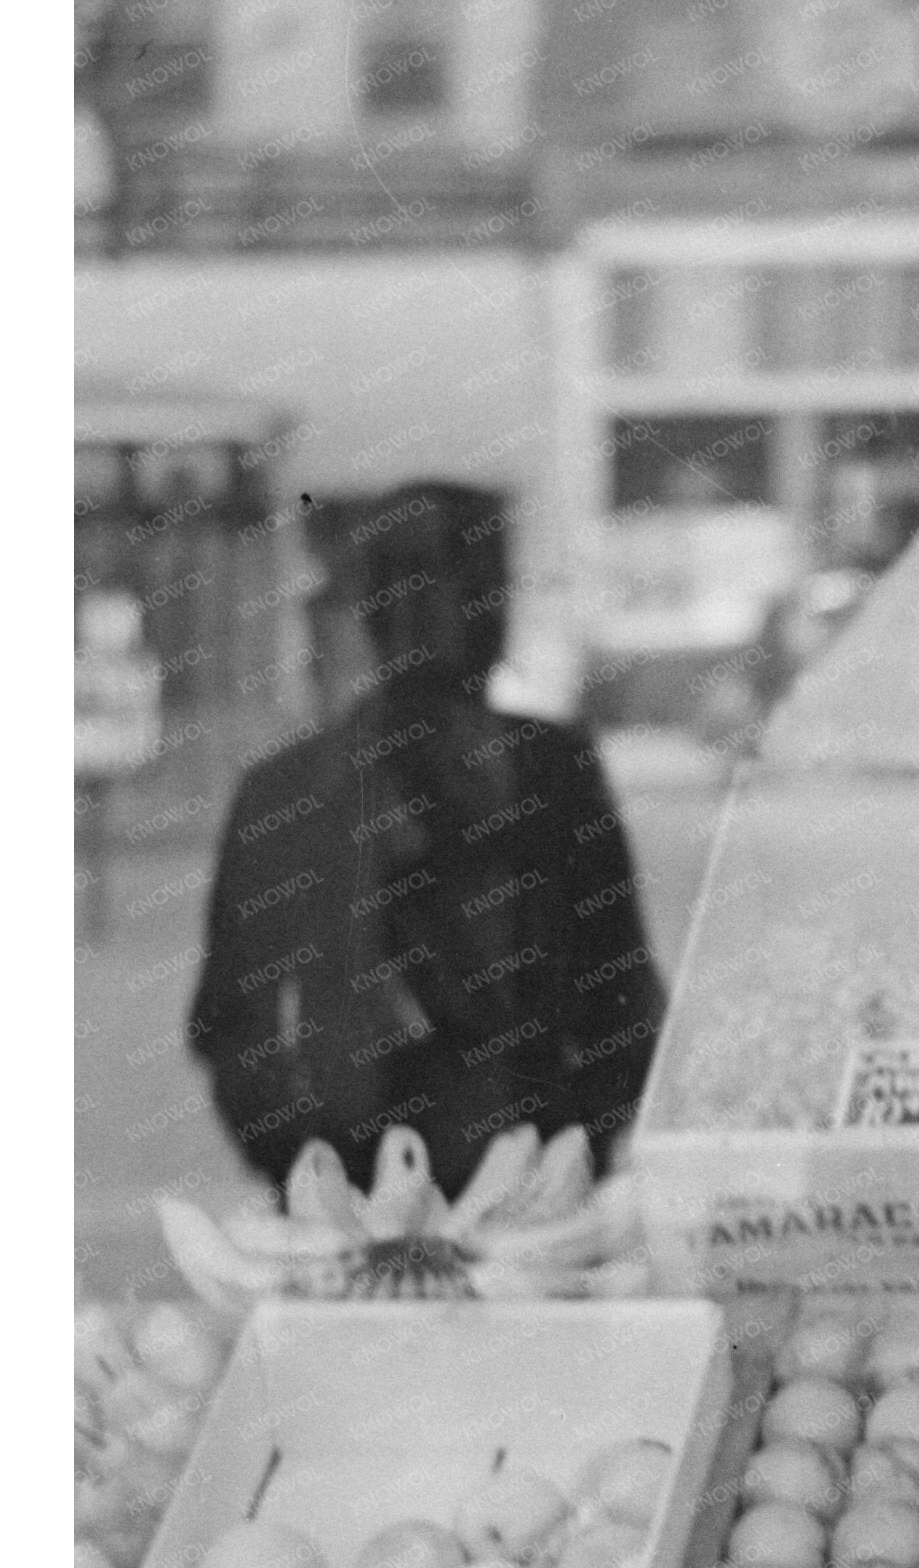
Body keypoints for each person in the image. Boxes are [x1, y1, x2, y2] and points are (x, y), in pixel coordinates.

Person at [185, 483, 667, 1204]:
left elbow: (624, 997)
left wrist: (575, 1147)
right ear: (378, 605)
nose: (467, 615)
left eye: (482, 587)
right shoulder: (288, 790)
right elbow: (233, 1025)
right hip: (403, 1202)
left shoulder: (549, 765)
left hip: (485, 1200)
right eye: (450, 588)